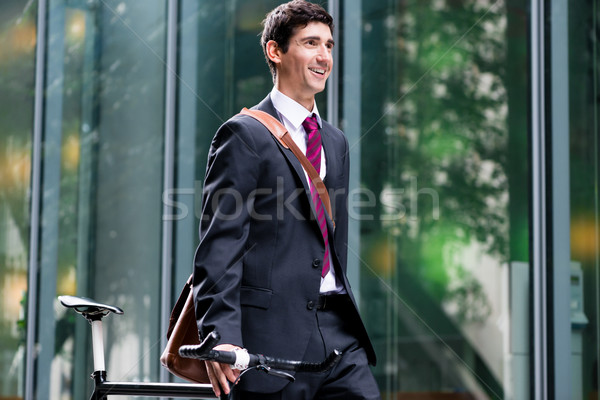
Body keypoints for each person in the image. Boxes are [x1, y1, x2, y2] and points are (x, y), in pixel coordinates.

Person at [192, 1, 380, 399]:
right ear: (275, 52)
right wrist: (220, 335)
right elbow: (220, 244)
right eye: (310, 43)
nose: (324, 56)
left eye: (328, 45)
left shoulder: (335, 141)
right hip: (270, 341)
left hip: (340, 336)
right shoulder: (243, 135)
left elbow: (332, 240)